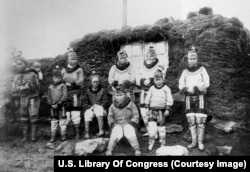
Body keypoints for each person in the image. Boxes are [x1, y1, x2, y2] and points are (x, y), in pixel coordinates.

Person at [179, 45, 210, 151]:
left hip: (200, 97)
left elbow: (207, 82)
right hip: (189, 97)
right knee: (191, 121)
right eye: (190, 58)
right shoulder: (185, 72)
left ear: (197, 59)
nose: (192, 60)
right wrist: (186, 89)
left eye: (194, 58)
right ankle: (194, 141)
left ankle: (200, 142)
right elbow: (180, 84)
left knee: (200, 121)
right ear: (187, 59)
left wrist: (198, 88)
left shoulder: (202, 70)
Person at [136, 46, 167, 136]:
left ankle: (156, 132)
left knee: (154, 111)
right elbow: (138, 76)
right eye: (150, 53)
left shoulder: (160, 65)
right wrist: (141, 81)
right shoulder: (142, 65)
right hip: (143, 91)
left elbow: (161, 77)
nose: (151, 55)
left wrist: (150, 80)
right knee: (143, 110)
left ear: (156, 54)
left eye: (153, 53)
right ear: (146, 55)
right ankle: (149, 130)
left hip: (155, 91)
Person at [105, 85, 141, 156]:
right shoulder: (112, 106)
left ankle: (137, 149)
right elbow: (110, 117)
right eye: (117, 95)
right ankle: (109, 149)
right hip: (118, 125)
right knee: (116, 130)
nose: (119, 97)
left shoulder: (131, 104)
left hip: (129, 124)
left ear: (125, 95)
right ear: (114, 96)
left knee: (129, 129)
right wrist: (113, 124)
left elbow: (136, 115)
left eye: (121, 95)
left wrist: (131, 123)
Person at [12, 57, 40, 142]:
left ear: (25, 64)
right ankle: (25, 136)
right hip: (22, 98)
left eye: (20, 64)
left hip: (32, 98)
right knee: (23, 117)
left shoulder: (32, 74)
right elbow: (14, 89)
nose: (18, 66)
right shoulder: (16, 76)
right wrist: (16, 95)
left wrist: (27, 85)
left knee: (33, 116)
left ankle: (33, 136)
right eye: (17, 64)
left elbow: (36, 87)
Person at [145, 70, 173, 151]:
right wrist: (147, 108)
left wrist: (167, 109)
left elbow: (169, 99)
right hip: (152, 110)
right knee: (151, 127)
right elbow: (147, 98)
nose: (158, 81)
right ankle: (151, 141)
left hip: (161, 111)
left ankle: (162, 142)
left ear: (163, 79)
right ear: (154, 80)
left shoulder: (166, 88)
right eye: (156, 79)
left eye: (159, 79)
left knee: (161, 128)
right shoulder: (151, 88)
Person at [61, 49, 84, 139]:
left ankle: (77, 133)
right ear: (68, 60)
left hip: (75, 92)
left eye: (75, 59)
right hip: (65, 92)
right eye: (71, 59)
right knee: (65, 111)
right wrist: (64, 85)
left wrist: (73, 84)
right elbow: (60, 79)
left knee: (75, 111)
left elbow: (81, 80)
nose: (73, 61)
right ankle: (64, 134)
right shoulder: (63, 70)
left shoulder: (79, 69)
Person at [83, 71, 108, 139]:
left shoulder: (102, 90)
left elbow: (105, 101)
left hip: (100, 109)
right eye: (94, 82)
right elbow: (84, 104)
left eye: (97, 81)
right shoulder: (87, 91)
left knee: (98, 109)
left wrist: (97, 105)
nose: (96, 83)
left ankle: (101, 130)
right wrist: (91, 107)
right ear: (91, 83)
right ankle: (87, 133)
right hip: (90, 109)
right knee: (87, 113)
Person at [47, 68, 68, 142]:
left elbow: (65, 96)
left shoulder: (63, 86)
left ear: (61, 77)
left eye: (58, 77)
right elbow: (48, 97)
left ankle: (63, 136)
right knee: (53, 122)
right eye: (55, 77)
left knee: (63, 122)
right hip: (53, 107)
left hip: (61, 106)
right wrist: (51, 104)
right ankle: (53, 137)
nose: (57, 79)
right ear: (53, 78)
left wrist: (59, 102)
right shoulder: (50, 87)